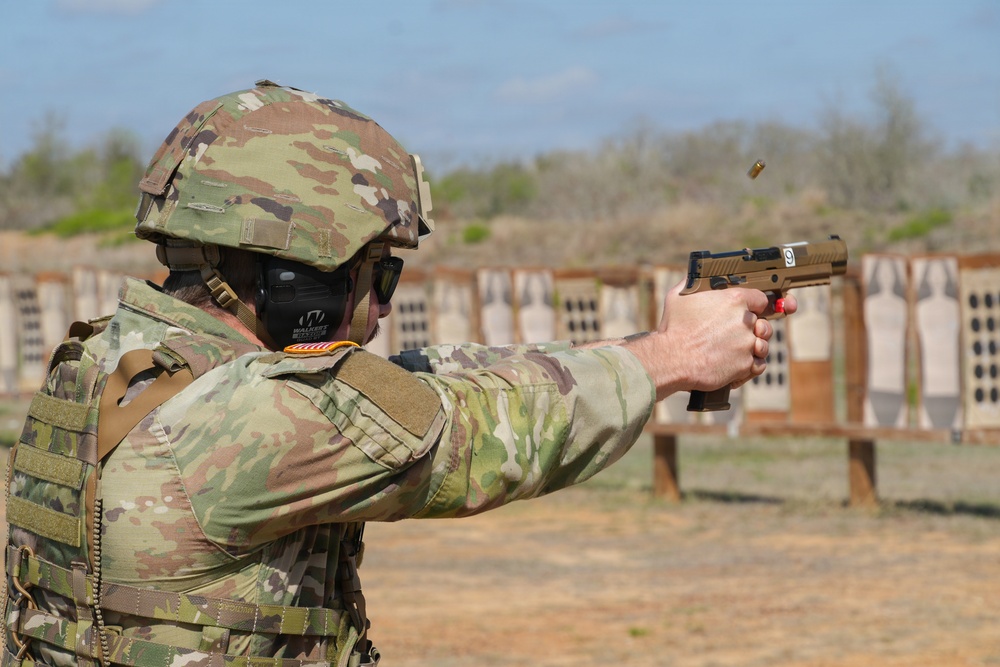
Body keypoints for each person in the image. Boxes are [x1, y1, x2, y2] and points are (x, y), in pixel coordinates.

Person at [3, 80, 793, 667]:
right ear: (296, 278)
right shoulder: (247, 415)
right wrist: (676, 358)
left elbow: (412, 386)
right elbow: (482, 432)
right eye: (377, 273)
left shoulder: (111, 361)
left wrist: (653, 339)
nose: (382, 305)